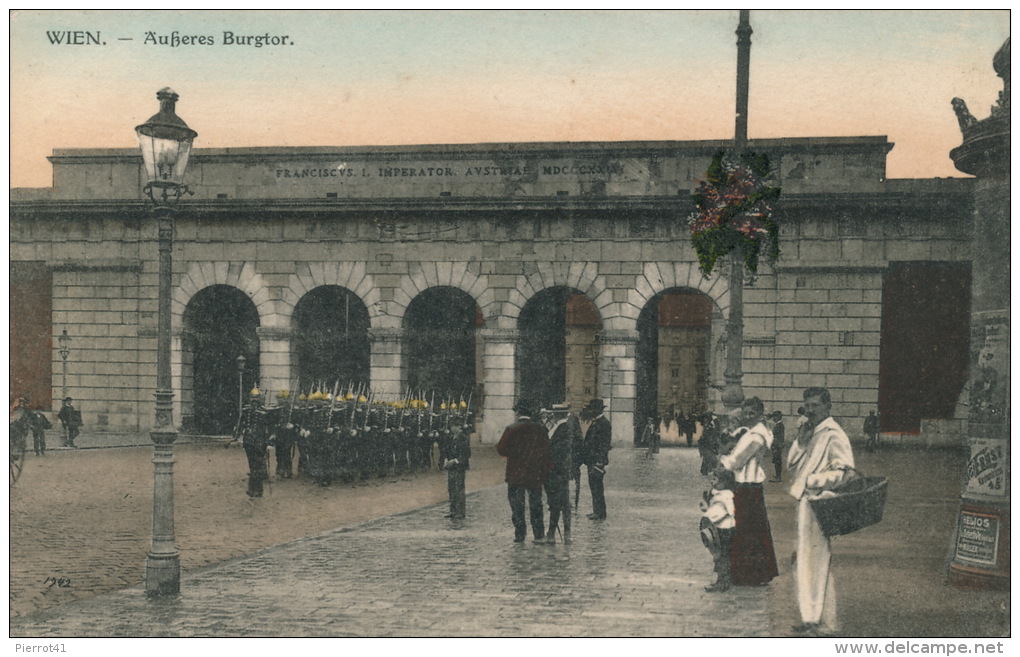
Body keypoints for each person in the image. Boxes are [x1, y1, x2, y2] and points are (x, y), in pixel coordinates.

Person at [787, 386, 855, 637]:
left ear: (828, 406)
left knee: (818, 562)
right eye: (808, 405)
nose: (811, 410)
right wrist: (801, 440)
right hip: (805, 502)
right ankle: (812, 618)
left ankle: (822, 623)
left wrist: (814, 481)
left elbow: (845, 473)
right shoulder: (810, 432)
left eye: (816, 405)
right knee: (804, 561)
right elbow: (791, 464)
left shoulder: (834, 434)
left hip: (820, 502)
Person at [717, 396, 779, 586]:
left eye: (752, 413)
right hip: (748, 487)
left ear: (760, 414)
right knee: (751, 531)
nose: (748, 416)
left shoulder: (756, 436)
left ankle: (751, 575)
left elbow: (738, 460)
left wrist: (722, 462)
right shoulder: (754, 432)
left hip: (748, 487)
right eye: (746, 413)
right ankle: (751, 574)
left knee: (747, 532)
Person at [496, 398, 552, 543]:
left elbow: (501, 449)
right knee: (536, 504)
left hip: (515, 473)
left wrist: (514, 453)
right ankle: (539, 534)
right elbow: (547, 452)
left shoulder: (511, 429)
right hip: (534, 473)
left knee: (517, 505)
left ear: (518, 412)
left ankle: (520, 534)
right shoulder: (540, 429)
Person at [539, 404, 573, 544]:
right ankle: (563, 534)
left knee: (557, 503)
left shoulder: (562, 428)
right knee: (562, 503)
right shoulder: (558, 427)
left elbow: (556, 452)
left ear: (557, 415)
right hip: (558, 472)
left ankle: (554, 534)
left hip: (556, 472)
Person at [700, 467, 737, 592]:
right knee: (724, 555)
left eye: (715, 479)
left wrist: (707, 513)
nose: (712, 482)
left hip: (722, 530)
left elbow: (715, 514)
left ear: (724, 482)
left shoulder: (722, 498)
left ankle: (722, 581)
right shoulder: (725, 495)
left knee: (720, 556)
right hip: (728, 528)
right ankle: (725, 579)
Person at [234, 389, 271, 498]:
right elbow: (241, 424)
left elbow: (268, 428)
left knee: (258, 465)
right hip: (249, 441)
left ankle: (258, 489)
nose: (254, 400)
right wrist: (237, 436)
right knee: (252, 465)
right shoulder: (246, 410)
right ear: (250, 398)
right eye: (252, 398)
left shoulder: (265, 412)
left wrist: (269, 441)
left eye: (256, 398)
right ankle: (252, 488)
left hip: (260, 441)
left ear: (260, 399)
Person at [580, 398, 612, 520]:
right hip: (591, 459)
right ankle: (596, 510)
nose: (591, 411)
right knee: (594, 486)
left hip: (597, 460)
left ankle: (600, 512)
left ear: (597, 410)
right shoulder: (596, 422)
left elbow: (605, 445)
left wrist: (600, 462)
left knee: (597, 486)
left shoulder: (604, 423)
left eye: (592, 409)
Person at [439, 412, 472, 520]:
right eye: (452, 426)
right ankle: (453, 510)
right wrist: (445, 460)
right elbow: (446, 450)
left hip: (459, 467)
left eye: (455, 426)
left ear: (459, 427)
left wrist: (456, 461)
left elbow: (467, 454)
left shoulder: (464, 438)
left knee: (459, 489)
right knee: (451, 489)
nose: (453, 428)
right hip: (451, 466)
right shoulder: (450, 438)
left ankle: (460, 512)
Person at [769, 411, 786, 483]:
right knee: (776, 460)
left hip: (777, 445)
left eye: (775, 416)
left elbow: (779, 437)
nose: (773, 418)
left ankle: (778, 477)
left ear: (778, 417)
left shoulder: (779, 425)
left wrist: (778, 444)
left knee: (777, 461)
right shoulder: (778, 425)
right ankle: (777, 475)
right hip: (776, 445)